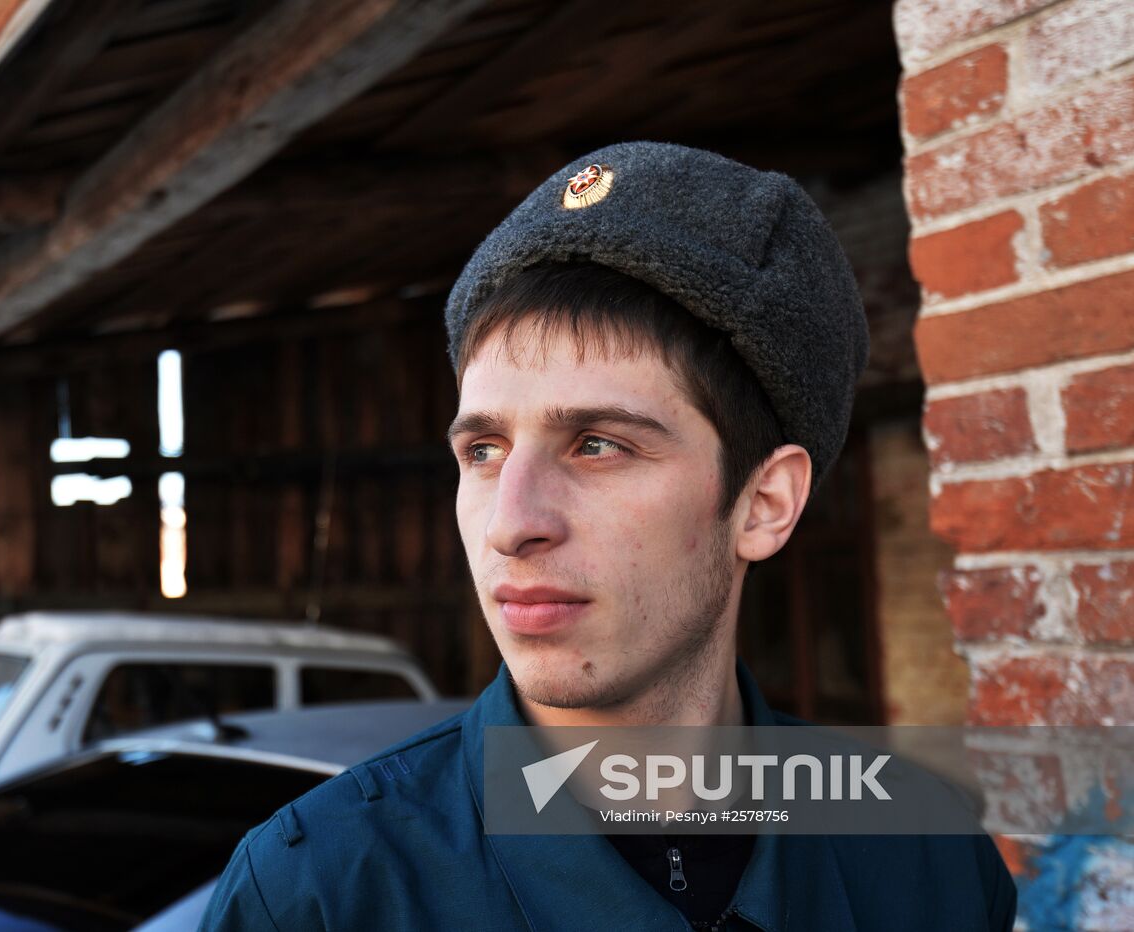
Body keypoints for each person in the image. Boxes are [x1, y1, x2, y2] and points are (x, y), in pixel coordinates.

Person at [199, 141, 1017, 931]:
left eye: (598, 444)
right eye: (483, 451)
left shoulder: (926, 859)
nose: (512, 524)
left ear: (764, 502)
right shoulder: (321, 894)